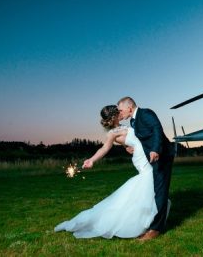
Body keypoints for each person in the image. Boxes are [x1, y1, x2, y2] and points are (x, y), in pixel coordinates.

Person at [54, 105, 158, 239]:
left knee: (150, 184)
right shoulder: (112, 133)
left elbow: (129, 140)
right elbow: (104, 148)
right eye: (118, 112)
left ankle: (150, 220)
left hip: (142, 155)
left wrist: (127, 146)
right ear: (114, 117)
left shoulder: (124, 126)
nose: (121, 113)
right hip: (141, 160)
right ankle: (148, 222)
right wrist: (91, 160)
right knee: (148, 182)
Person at [117, 97, 175, 241]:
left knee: (160, 191)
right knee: (155, 191)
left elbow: (157, 130)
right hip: (152, 158)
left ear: (129, 107)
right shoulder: (133, 121)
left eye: (120, 110)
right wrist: (132, 147)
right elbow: (144, 138)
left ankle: (156, 229)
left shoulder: (146, 113)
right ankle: (152, 224)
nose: (119, 113)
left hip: (162, 156)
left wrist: (155, 149)